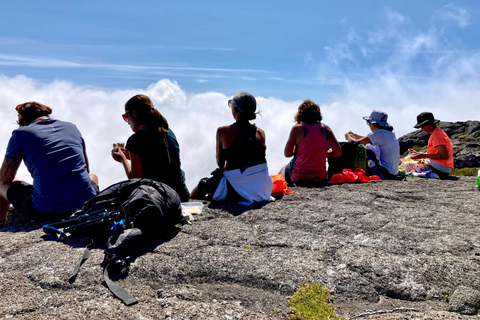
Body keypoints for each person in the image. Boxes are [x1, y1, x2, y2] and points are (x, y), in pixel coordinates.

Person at [0, 102, 98, 225]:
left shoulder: (20, 134)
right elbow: (86, 168)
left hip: (45, 210)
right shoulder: (72, 127)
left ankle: (1, 222)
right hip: (85, 204)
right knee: (92, 177)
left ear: (24, 121)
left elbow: (4, 178)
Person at [191, 92, 272, 205]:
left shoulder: (223, 131)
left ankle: (186, 202)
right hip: (263, 190)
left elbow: (220, 163)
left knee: (203, 184)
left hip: (238, 190)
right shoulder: (260, 133)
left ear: (235, 111)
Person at [111, 94, 190, 202]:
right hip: (181, 195)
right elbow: (159, 160)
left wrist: (123, 160)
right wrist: (130, 156)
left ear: (134, 113)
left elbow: (135, 179)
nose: (127, 121)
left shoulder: (136, 139)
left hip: (160, 198)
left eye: (126, 116)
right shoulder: (168, 132)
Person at [280, 100, 342, 184]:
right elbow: (338, 152)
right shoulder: (326, 129)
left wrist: (301, 151)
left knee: (283, 169)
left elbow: (287, 154)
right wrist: (319, 153)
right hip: (319, 177)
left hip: (299, 176)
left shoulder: (296, 129)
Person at [345, 110, 400, 176]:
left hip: (384, 171)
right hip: (392, 171)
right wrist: (356, 136)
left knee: (365, 150)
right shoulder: (388, 133)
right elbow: (369, 139)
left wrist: (348, 137)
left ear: (373, 123)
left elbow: (356, 144)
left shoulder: (379, 133)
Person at [408, 112, 453, 176]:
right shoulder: (437, 132)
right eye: (421, 126)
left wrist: (424, 156)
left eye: (423, 125)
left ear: (430, 123)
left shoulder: (436, 135)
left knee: (409, 164)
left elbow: (444, 156)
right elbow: (436, 153)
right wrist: (419, 154)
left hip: (442, 166)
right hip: (444, 166)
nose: (422, 128)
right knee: (413, 162)